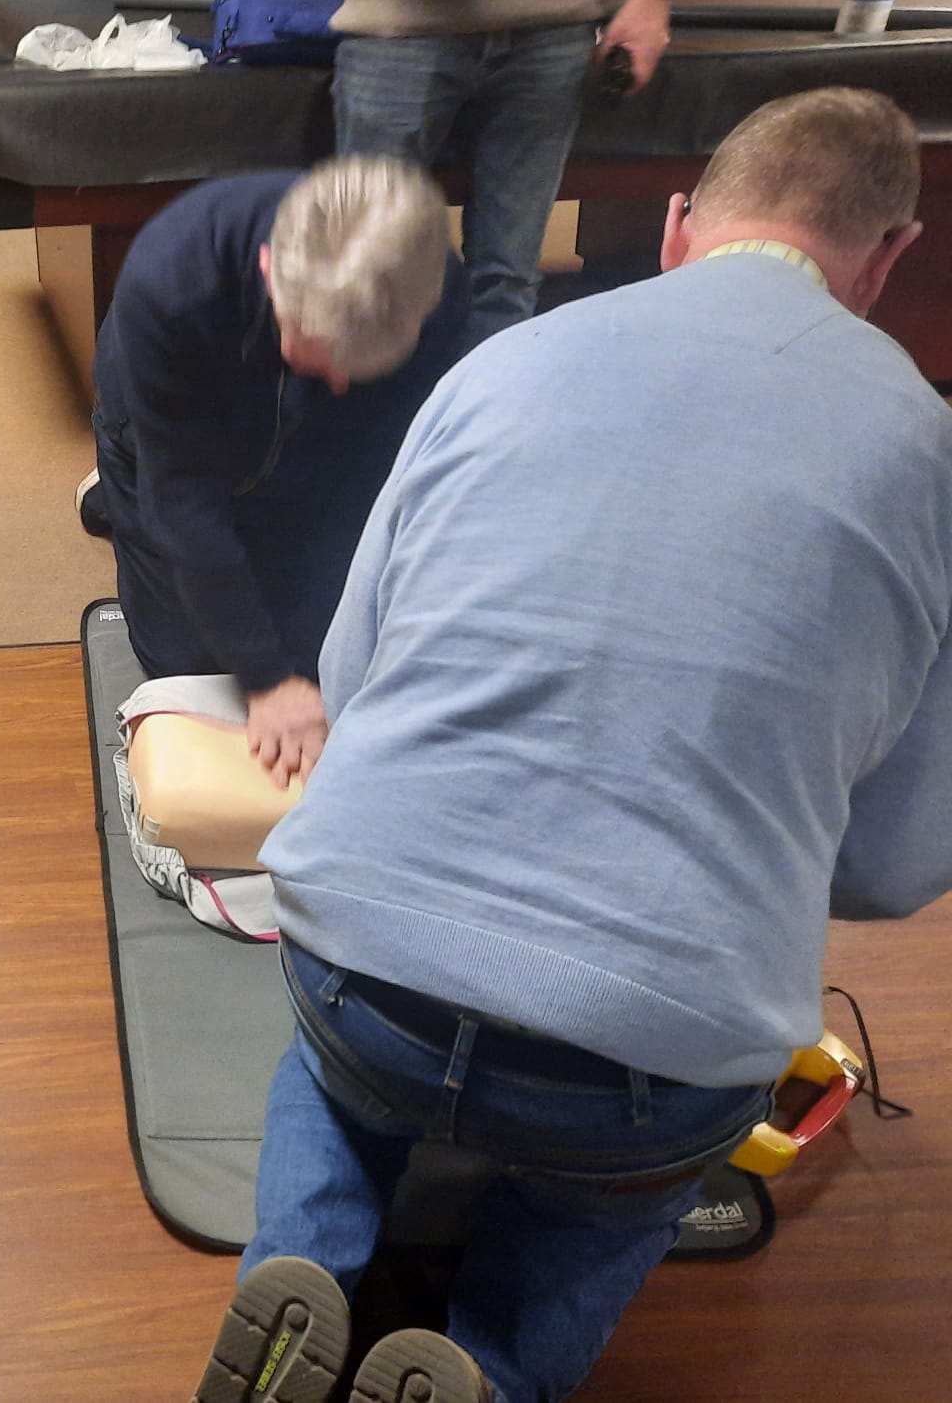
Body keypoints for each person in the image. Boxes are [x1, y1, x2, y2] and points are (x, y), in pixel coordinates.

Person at [192, 87, 951, 1403]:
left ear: (676, 226)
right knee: (584, 1222)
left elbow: (354, 689)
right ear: (888, 257)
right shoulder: (931, 453)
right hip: (645, 1066)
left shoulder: (498, 365)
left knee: (332, 1080)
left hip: (369, 983)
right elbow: (890, 867)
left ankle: (300, 1259)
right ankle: (485, 1365)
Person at [91, 159, 470, 790]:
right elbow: (186, 504)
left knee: (328, 654)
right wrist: (266, 680)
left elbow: (389, 473)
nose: (343, 380)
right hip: (172, 422)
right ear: (270, 272)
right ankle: (119, 492)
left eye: (363, 365)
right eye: (326, 358)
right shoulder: (172, 278)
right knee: (191, 672)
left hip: (316, 438)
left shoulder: (431, 282)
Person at [331, 0, 680, 343]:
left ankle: (486, 392)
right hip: (400, 15)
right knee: (368, 269)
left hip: (553, 25)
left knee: (507, 280)